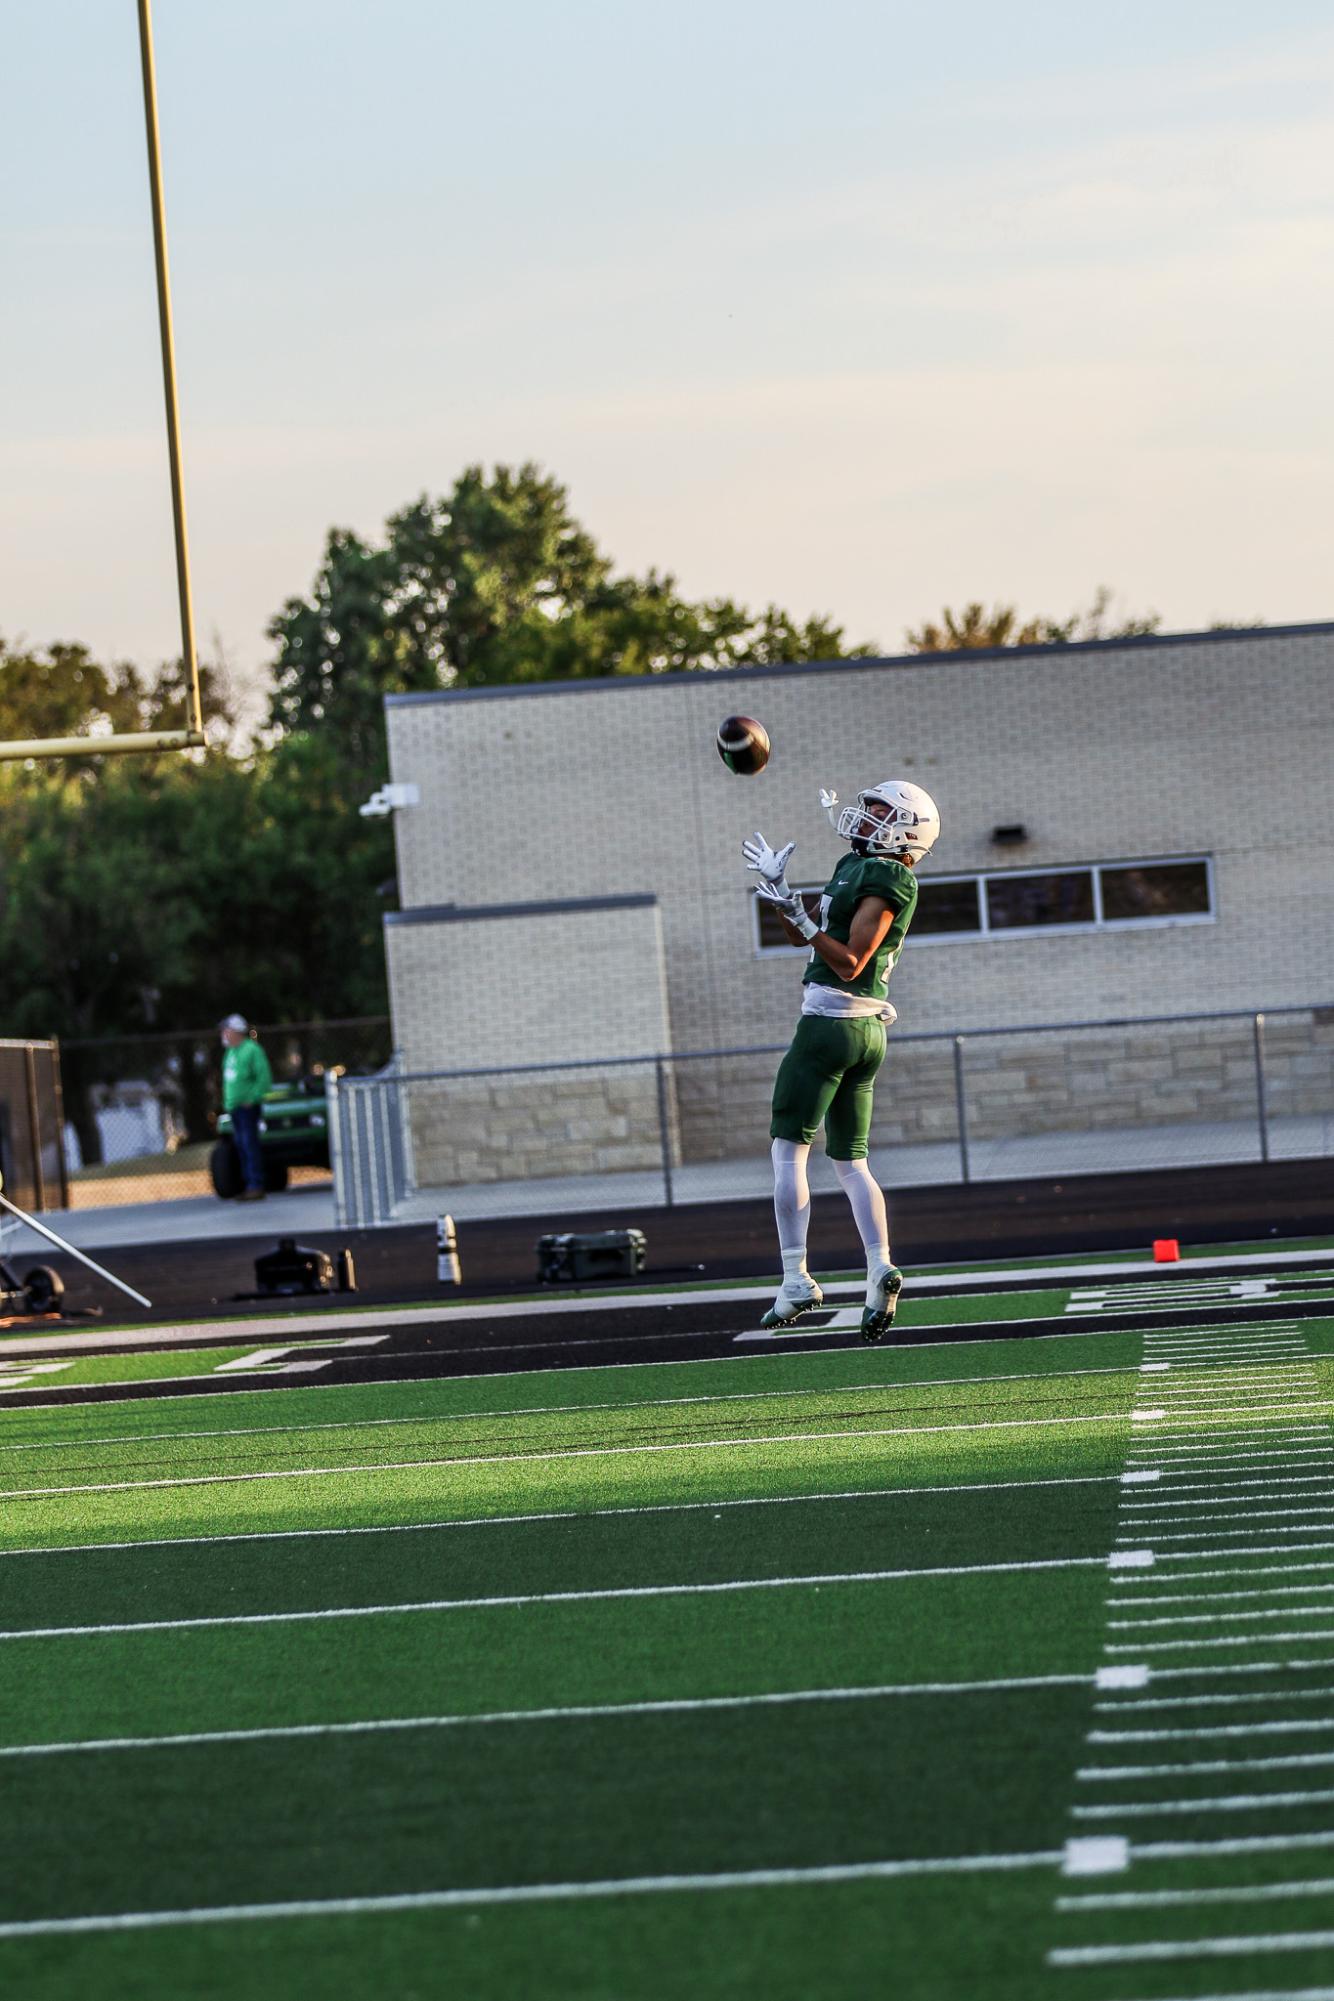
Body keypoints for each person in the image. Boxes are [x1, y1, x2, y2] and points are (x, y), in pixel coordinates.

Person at [743, 779, 941, 1340]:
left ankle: (794, 1276)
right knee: (851, 1162)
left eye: (880, 811)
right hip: (864, 1033)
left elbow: (850, 961)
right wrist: (780, 889)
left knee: (788, 1154)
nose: (866, 816)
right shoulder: (853, 866)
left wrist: (803, 922)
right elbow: (801, 938)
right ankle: (879, 1266)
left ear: (907, 829)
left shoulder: (890, 874)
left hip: (830, 1025)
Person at [219, 1013, 273, 1201]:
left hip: (247, 1108)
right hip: (234, 1107)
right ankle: (247, 1185)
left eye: (227, 1030)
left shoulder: (252, 1050)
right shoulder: (230, 1052)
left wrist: (253, 1098)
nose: (224, 1034)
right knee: (241, 1145)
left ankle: (256, 1185)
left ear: (236, 1031)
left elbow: (264, 1078)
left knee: (249, 1145)